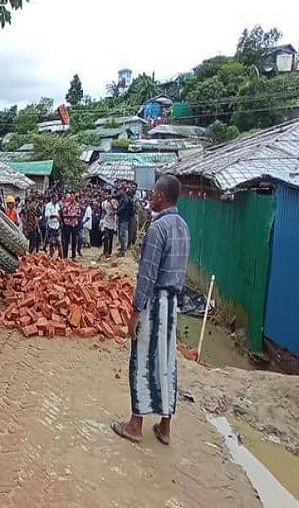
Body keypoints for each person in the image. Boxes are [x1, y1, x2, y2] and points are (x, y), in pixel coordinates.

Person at [112, 175, 190, 446]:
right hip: (172, 306)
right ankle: (165, 427)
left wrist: (135, 311)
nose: (150, 198)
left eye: (154, 193)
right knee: (167, 362)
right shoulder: (183, 227)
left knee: (142, 361)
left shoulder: (158, 228)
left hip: (155, 303)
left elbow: (147, 275)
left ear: (161, 196)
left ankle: (135, 425)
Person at [61, 192, 81, 260]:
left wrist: (75, 216)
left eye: (73, 196)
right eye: (70, 196)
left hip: (74, 224)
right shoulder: (66, 205)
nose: (71, 198)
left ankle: (73, 255)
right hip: (68, 224)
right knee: (66, 240)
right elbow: (63, 214)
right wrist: (70, 216)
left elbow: (79, 214)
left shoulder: (77, 205)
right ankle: (65, 255)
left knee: (74, 240)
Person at [43, 193, 62, 258]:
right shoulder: (48, 206)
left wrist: (60, 221)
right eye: (56, 198)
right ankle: (51, 257)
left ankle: (61, 257)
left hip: (57, 225)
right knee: (51, 243)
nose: (57, 199)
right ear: (53, 198)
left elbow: (59, 213)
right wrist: (56, 216)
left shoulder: (57, 205)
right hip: (51, 225)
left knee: (59, 242)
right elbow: (47, 215)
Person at [116, 186, 132, 257]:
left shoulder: (125, 199)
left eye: (120, 190)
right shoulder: (122, 198)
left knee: (122, 234)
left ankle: (123, 250)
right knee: (120, 234)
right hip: (121, 218)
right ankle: (122, 247)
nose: (119, 191)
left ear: (123, 190)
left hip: (124, 219)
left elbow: (122, 208)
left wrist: (116, 212)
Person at [100, 191, 118, 258]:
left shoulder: (114, 201)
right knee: (106, 236)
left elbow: (116, 209)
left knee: (110, 238)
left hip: (112, 222)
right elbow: (103, 212)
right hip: (105, 221)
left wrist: (111, 202)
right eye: (106, 194)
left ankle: (109, 252)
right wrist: (101, 221)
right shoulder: (103, 203)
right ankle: (105, 251)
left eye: (108, 194)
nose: (107, 196)